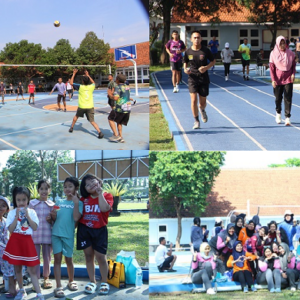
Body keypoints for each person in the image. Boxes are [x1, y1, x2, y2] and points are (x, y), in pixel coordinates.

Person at [3, 187, 44, 300]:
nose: (21, 202)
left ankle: (39, 294)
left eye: (24, 199)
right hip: (15, 242)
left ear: (28, 200)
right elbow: (10, 229)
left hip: (27, 242)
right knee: (17, 269)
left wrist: (27, 216)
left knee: (31, 270)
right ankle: (21, 290)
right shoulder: (11, 213)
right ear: (15, 201)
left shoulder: (32, 212)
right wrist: (16, 216)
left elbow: (35, 227)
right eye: (18, 200)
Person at [77, 174, 113, 295]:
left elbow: (104, 209)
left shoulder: (107, 195)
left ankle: (104, 282)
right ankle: (92, 281)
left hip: (100, 230)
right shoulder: (83, 200)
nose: (91, 184)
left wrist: (100, 194)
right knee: (88, 256)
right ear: (85, 189)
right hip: (84, 230)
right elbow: (77, 216)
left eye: (93, 181)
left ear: (98, 181)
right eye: (87, 184)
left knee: (101, 257)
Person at [49, 177, 83, 298]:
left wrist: (75, 202)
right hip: (56, 234)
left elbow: (75, 219)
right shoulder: (59, 202)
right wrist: (52, 216)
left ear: (76, 188)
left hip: (68, 235)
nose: (67, 189)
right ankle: (58, 286)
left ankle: (71, 281)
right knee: (57, 259)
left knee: (69, 260)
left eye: (70, 186)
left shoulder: (79, 203)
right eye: (65, 186)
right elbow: (54, 219)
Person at [183, 30, 215, 129]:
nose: (196, 39)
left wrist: (206, 67)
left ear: (201, 39)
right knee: (193, 100)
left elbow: (213, 61)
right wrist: (185, 70)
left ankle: (202, 110)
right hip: (192, 78)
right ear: (191, 39)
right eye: (195, 37)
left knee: (202, 103)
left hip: (203, 78)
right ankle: (196, 121)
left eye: (198, 37)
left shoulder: (205, 50)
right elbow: (185, 65)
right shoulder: (188, 52)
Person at [29, 180, 54, 291]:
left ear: (50, 190)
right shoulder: (32, 204)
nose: (44, 191)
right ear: (38, 190)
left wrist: (52, 220)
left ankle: (46, 278)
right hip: (35, 236)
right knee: (35, 258)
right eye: (41, 189)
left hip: (48, 236)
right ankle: (36, 280)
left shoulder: (53, 205)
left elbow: (55, 221)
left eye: (46, 189)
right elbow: (28, 220)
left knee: (47, 258)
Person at [68, 69, 104, 139]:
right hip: (90, 106)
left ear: (83, 81)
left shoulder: (80, 87)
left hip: (82, 106)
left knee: (76, 116)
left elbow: (71, 83)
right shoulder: (91, 87)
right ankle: (99, 132)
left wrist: (74, 74)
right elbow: (93, 82)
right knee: (92, 121)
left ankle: (71, 127)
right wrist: (88, 75)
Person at [269, 35, 296, 126]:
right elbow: (272, 68)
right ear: (277, 44)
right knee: (278, 98)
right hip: (278, 79)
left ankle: (287, 117)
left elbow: (293, 65)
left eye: (284, 43)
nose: (282, 45)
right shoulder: (273, 54)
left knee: (288, 97)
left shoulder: (290, 53)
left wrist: (293, 74)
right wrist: (273, 80)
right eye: (281, 43)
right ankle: (278, 113)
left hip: (288, 78)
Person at [0, 195, 19, 298]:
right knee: (8, 257)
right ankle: (12, 288)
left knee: (15, 255)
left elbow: (7, 237)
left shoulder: (5, 221)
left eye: (3, 205)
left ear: (7, 209)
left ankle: (14, 286)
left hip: (3, 247)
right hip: (1, 248)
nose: (0, 207)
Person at [108, 74, 131, 143]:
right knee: (119, 122)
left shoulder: (118, 87)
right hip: (127, 108)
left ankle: (116, 135)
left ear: (117, 80)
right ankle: (121, 137)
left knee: (110, 119)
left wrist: (110, 95)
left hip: (119, 108)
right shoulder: (127, 87)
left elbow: (115, 98)